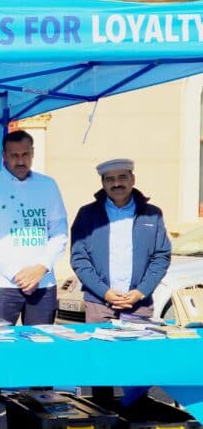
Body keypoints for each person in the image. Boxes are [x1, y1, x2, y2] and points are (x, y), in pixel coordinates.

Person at [0, 129, 68, 429]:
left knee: (42, 354)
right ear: (3, 156)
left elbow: (59, 230)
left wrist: (41, 267)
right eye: (14, 155)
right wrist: (16, 273)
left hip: (43, 283)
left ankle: (41, 423)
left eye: (25, 154)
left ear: (33, 153)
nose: (20, 161)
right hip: (1, 285)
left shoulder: (48, 186)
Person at [70, 158, 171, 408]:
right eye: (110, 179)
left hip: (138, 304)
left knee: (137, 365)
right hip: (100, 303)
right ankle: (103, 414)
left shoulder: (152, 214)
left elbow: (161, 256)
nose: (117, 184)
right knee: (101, 365)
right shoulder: (87, 214)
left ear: (132, 179)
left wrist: (140, 291)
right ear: (103, 183)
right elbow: (79, 258)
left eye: (122, 177)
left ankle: (135, 413)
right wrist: (104, 292)